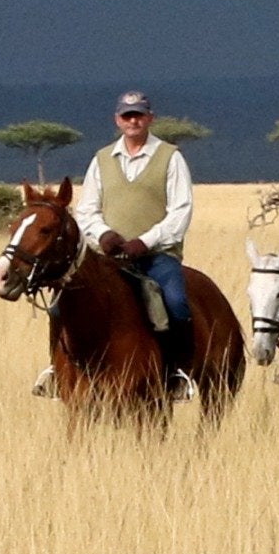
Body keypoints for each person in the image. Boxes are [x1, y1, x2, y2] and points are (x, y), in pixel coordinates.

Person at [72, 92, 198, 399]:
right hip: (107, 258)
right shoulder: (101, 159)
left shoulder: (170, 157)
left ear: (150, 118)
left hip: (156, 256)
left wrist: (146, 241)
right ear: (117, 120)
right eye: (127, 115)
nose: (133, 121)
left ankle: (175, 371)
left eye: (139, 115)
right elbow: (86, 210)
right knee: (63, 303)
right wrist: (103, 235)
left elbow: (181, 210)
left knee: (176, 302)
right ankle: (62, 370)